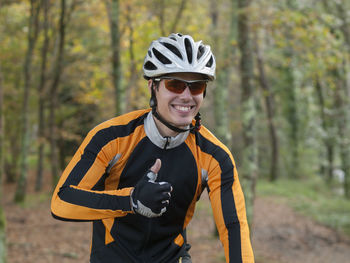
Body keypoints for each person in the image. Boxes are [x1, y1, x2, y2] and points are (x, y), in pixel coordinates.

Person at [51, 33, 254, 263]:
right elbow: (62, 201)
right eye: (175, 84)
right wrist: (131, 201)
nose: (186, 96)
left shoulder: (214, 156)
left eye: (196, 86)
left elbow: (233, 226)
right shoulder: (111, 137)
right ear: (153, 86)